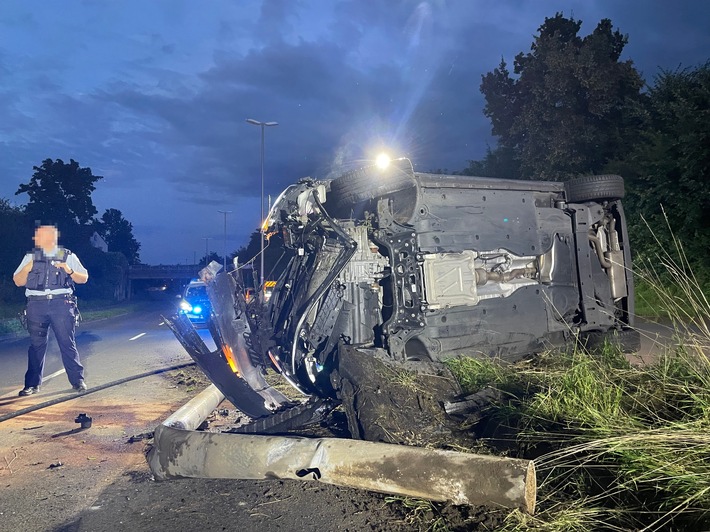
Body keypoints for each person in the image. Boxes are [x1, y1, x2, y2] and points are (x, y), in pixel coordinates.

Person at [13, 224, 89, 396]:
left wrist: (68, 270)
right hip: (36, 305)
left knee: (67, 343)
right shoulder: (30, 256)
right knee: (36, 346)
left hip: (61, 304)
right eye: (37, 236)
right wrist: (30, 265)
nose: (38, 239)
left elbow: (83, 278)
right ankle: (32, 385)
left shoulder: (66, 255)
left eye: (42, 235)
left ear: (53, 238)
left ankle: (77, 381)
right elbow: (18, 281)